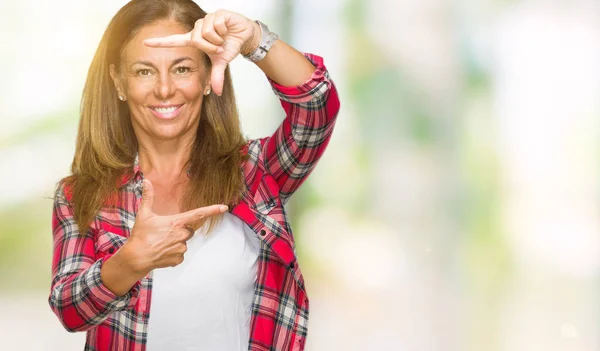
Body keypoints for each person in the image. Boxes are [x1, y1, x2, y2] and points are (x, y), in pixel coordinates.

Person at [48, 0, 340, 350]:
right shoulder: (80, 193)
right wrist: (128, 262)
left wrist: (253, 40)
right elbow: (69, 310)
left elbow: (317, 107)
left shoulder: (253, 173)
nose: (165, 89)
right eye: (144, 71)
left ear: (206, 76)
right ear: (119, 82)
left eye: (182, 68)